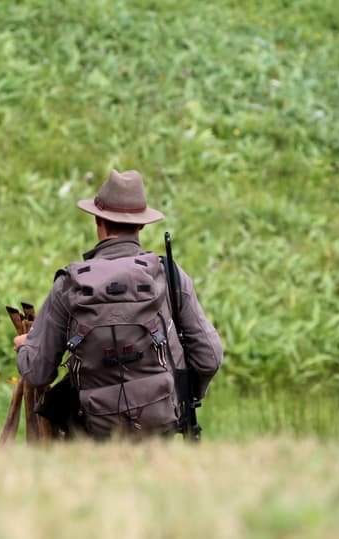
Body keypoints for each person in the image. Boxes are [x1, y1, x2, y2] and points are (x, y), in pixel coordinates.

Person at [14, 169, 223, 437]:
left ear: (98, 220)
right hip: (161, 426)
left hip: (92, 430)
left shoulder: (69, 284)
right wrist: (181, 394)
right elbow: (210, 358)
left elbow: (38, 372)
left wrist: (25, 348)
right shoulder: (170, 276)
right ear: (142, 225)